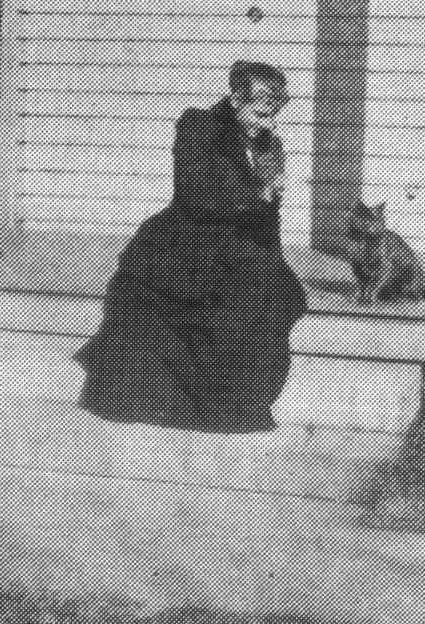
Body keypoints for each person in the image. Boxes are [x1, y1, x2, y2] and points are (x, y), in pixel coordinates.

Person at [76, 61, 309, 433]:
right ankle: (199, 405)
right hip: (187, 241)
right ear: (236, 98)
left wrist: (272, 250)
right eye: (262, 107)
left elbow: (268, 214)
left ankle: (241, 401)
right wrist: (258, 195)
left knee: (275, 292)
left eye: (276, 109)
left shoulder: (269, 144)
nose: (270, 117)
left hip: (237, 246)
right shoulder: (199, 126)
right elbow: (196, 192)